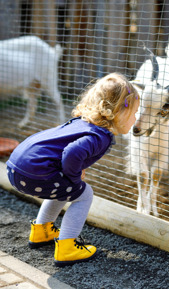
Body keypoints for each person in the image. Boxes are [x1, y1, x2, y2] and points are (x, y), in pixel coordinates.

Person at [6, 72, 140, 267]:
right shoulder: (100, 136)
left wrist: (71, 176)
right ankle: (67, 247)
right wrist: (75, 177)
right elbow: (73, 153)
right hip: (35, 173)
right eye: (134, 112)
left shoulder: (82, 123)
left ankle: (41, 231)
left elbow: (66, 153)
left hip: (16, 169)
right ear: (119, 111)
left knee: (65, 187)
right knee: (84, 193)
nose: (136, 118)